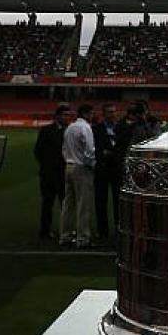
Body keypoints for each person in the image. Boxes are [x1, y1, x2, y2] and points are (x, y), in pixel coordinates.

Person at [60, 103, 96, 247]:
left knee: (68, 204)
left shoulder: (70, 127)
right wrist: (92, 165)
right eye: (91, 113)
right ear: (86, 114)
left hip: (69, 166)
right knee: (83, 205)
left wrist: (68, 160)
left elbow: (64, 149)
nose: (93, 116)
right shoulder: (85, 127)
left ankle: (65, 235)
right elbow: (89, 151)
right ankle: (83, 238)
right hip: (81, 168)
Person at [33, 103, 70, 240]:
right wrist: (47, 166)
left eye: (68, 115)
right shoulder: (46, 130)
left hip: (64, 173)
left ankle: (65, 230)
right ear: (57, 116)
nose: (67, 117)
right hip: (48, 174)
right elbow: (38, 150)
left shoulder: (70, 130)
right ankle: (45, 230)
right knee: (47, 203)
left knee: (65, 203)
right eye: (65, 115)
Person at [93, 103, 120, 239]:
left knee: (118, 202)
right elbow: (92, 148)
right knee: (100, 201)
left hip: (117, 169)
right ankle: (102, 231)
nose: (112, 114)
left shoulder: (121, 128)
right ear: (103, 114)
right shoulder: (96, 129)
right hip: (102, 169)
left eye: (114, 112)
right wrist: (101, 154)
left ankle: (119, 229)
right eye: (109, 112)